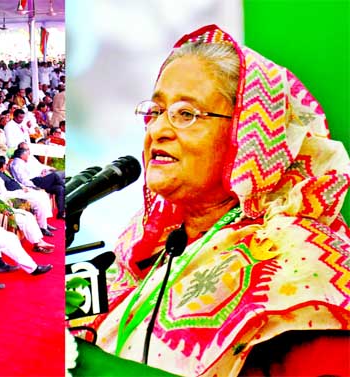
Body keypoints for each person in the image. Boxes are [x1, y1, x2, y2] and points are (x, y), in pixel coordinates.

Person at [82, 25, 350, 376]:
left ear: (247, 133)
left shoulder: (304, 265)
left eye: (186, 114)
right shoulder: (146, 244)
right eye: (157, 110)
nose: (158, 130)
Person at [10, 146, 65, 219]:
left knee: (59, 188)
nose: (28, 156)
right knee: (55, 176)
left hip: (38, 179)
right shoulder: (17, 164)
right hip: (33, 182)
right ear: (22, 155)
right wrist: (34, 186)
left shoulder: (22, 162)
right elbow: (23, 179)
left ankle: (61, 213)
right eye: (26, 154)